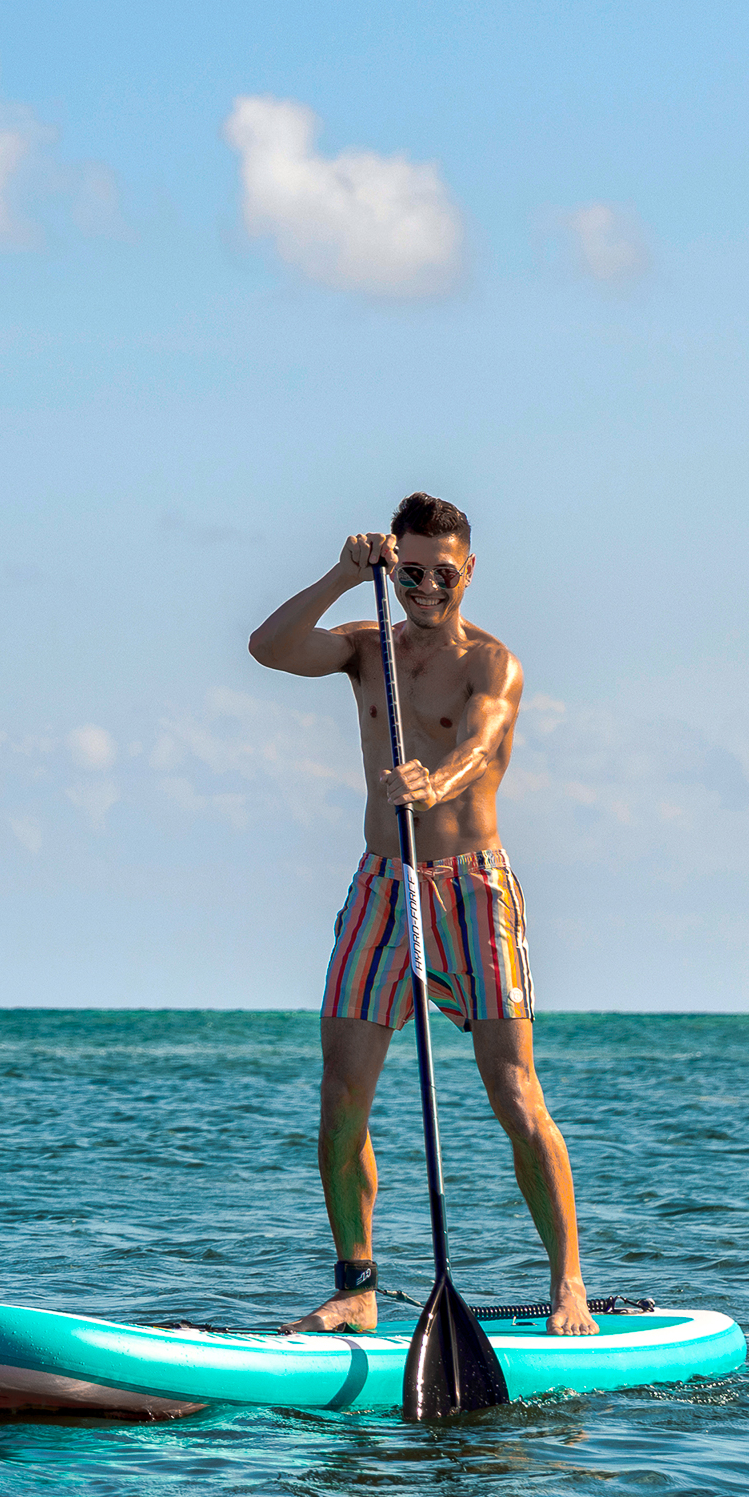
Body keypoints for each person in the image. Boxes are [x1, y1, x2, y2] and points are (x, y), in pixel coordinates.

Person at [245, 492, 593, 1338]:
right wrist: (342, 571)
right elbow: (268, 649)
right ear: (391, 568)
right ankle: (357, 1285)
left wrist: (434, 782)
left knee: (512, 1091)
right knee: (341, 1094)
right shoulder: (369, 649)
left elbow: (481, 742)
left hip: (472, 888)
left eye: (443, 572)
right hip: (382, 883)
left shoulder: (492, 662)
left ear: (469, 571)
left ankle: (569, 1285)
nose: (425, 587)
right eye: (409, 572)